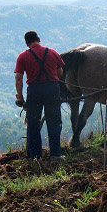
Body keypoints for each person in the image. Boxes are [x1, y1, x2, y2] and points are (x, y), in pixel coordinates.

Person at [14, 31, 65, 159]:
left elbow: (18, 79)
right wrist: (51, 80)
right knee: (54, 122)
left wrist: (20, 97)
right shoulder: (53, 53)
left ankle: (35, 156)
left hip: (34, 91)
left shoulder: (23, 57)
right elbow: (60, 72)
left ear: (27, 43)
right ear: (39, 39)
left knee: (33, 123)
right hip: (52, 89)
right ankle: (55, 154)